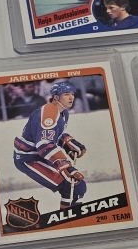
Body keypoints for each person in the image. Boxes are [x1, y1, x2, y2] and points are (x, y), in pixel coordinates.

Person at [13, 81, 87, 212]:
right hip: (28, 158)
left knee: (77, 187)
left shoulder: (63, 112)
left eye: (72, 94)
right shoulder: (49, 113)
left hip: (40, 154)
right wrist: (65, 165)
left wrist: (67, 141)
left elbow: (52, 135)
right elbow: (44, 145)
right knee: (72, 185)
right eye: (66, 94)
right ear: (56, 97)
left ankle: (71, 216)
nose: (71, 97)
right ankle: (68, 216)